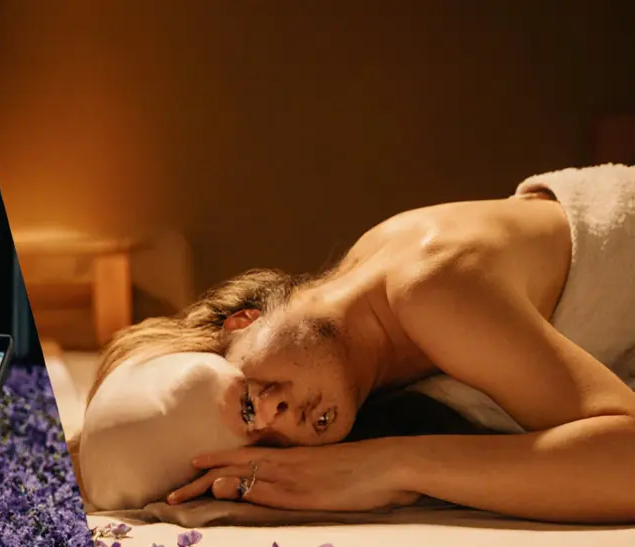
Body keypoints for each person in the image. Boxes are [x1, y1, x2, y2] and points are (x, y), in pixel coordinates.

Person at [80, 164, 635, 523]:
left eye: (248, 398)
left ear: (241, 321)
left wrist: (393, 465)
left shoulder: (428, 283)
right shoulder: (365, 339)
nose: (279, 420)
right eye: (266, 450)